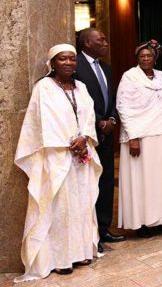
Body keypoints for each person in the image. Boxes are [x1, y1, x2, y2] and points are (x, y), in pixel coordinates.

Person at [14, 44, 102, 282]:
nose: (68, 63)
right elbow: (41, 122)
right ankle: (61, 259)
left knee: (81, 205)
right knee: (60, 209)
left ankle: (82, 252)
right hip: (57, 157)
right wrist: (68, 143)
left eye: (72, 59)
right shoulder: (44, 87)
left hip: (81, 157)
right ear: (52, 62)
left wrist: (84, 138)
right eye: (62, 59)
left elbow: (89, 115)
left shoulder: (81, 87)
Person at [116, 40, 162, 237]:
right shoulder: (129, 77)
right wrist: (133, 137)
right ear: (137, 59)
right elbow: (123, 107)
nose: (146, 59)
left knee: (161, 179)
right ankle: (144, 222)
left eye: (149, 56)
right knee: (143, 181)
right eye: (142, 56)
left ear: (155, 58)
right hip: (141, 137)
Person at [74, 28, 125, 250]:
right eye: (100, 40)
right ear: (86, 43)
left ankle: (104, 229)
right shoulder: (75, 65)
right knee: (87, 184)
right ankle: (90, 234)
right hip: (87, 135)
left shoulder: (105, 66)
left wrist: (112, 118)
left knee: (105, 183)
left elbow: (112, 96)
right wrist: (97, 122)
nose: (106, 42)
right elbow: (76, 102)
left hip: (106, 133)